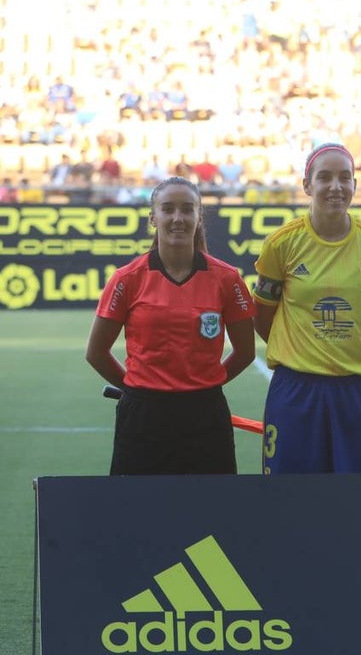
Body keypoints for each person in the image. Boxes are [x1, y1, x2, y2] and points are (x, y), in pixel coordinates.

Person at [85, 177, 256, 474]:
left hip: (206, 415)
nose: (178, 218)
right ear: (154, 217)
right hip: (142, 418)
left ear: (199, 216)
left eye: (187, 209)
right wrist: (136, 389)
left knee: (211, 513)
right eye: (168, 209)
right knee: (138, 511)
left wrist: (203, 385)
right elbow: (96, 352)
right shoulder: (127, 279)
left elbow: (245, 351)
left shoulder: (227, 278)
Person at [252, 143, 361, 474]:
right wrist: (302, 353)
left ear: (354, 185)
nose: (335, 187)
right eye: (325, 178)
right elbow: (262, 316)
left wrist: (352, 351)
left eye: (344, 178)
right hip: (296, 389)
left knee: (360, 497)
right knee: (290, 494)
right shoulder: (281, 243)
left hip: (359, 389)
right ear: (307, 185)